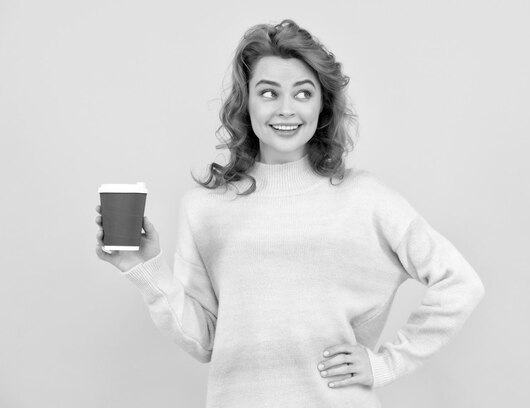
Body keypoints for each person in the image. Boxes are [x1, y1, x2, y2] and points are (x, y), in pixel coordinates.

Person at [95, 19, 485, 408]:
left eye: (303, 93)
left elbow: (460, 283)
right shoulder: (204, 209)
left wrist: (387, 364)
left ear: (322, 104)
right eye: (269, 92)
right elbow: (206, 342)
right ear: (246, 102)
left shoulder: (364, 198)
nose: (286, 109)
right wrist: (145, 271)